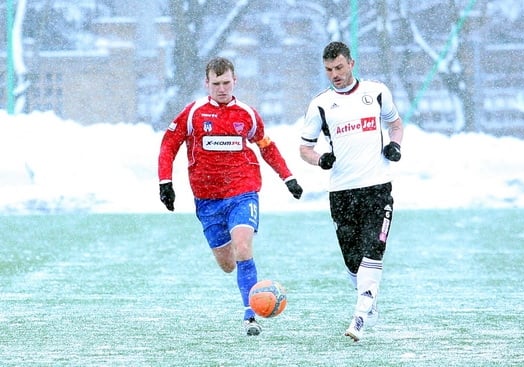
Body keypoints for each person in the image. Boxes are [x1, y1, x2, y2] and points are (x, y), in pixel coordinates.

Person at [157, 57, 303, 336]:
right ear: (206, 83)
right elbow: (168, 145)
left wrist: (288, 177)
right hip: (207, 199)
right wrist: (165, 182)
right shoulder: (193, 114)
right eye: (216, 84)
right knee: (227, 264)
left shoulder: (246, 114)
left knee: (243, 247)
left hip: (242, 191)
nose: (221, 89)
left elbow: (266, 146)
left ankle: (251, 315)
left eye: (226, 83)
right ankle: (245, 277)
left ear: (235, 81)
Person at [299, 41, 403, 342]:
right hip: (342, 192)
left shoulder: (377, 92)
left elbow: (396, 125)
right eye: (329, 70)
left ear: (352, 63)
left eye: (340, 67)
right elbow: (305, 148)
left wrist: (395, 145)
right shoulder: (320, 104)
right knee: (352, 261)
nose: (335, 74)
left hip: (376, 188)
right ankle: (367, 298)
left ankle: (360, 315)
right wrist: (321, 159)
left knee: (375, 248)